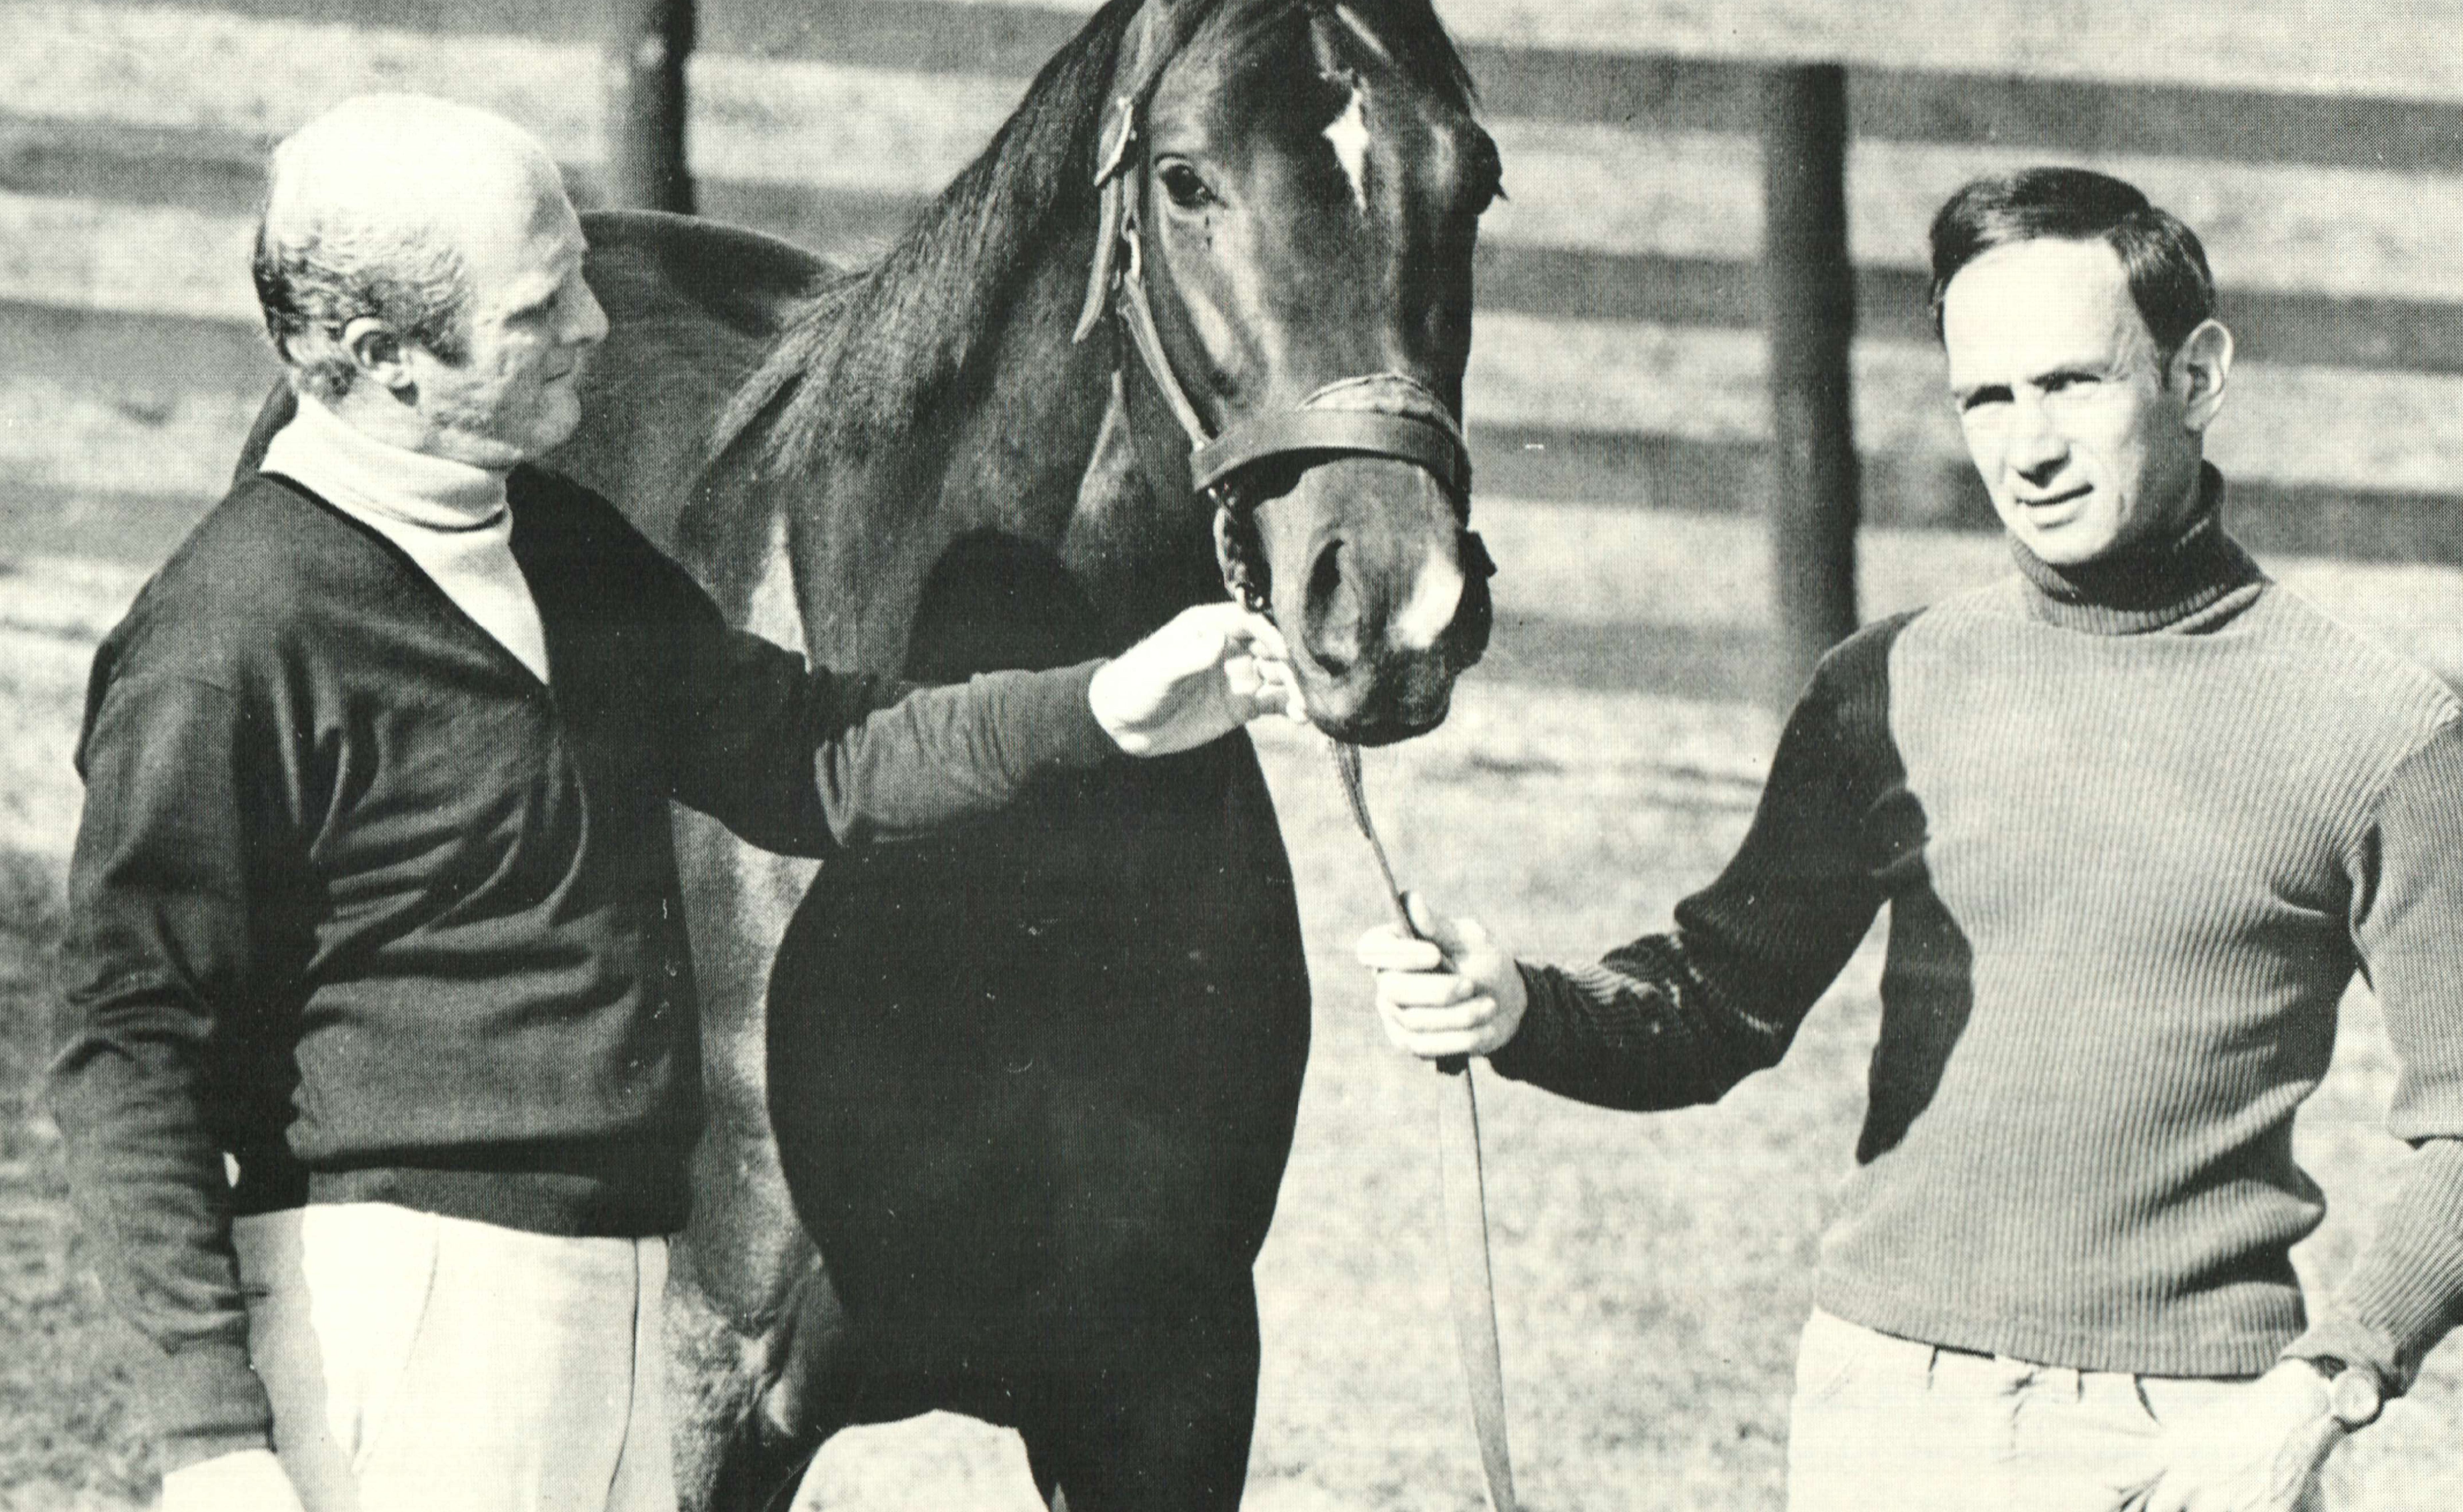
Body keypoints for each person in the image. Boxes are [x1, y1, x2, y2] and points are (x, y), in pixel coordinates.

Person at [50, 93, 1306, 1512]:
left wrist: (1099, 707)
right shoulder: (228, 643)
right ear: (380, 361)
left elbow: (811, 751)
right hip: (398, 1326)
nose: (602, 325)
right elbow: (130, 1052)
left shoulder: (559, 550)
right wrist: (211, 1434)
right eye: (544, 306)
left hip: (620, 1303)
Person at [1359, 167, 2463, 1512]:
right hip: (1886, 1414)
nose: (2028, 448)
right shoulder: (1886, 690)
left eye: (2074, 384)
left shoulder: (2383, 728)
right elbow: (1716, 1004)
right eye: (1987, 400)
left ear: (2198, 373)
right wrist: (1517, 1004)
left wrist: (2317, 1396)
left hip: (2197, 1435)